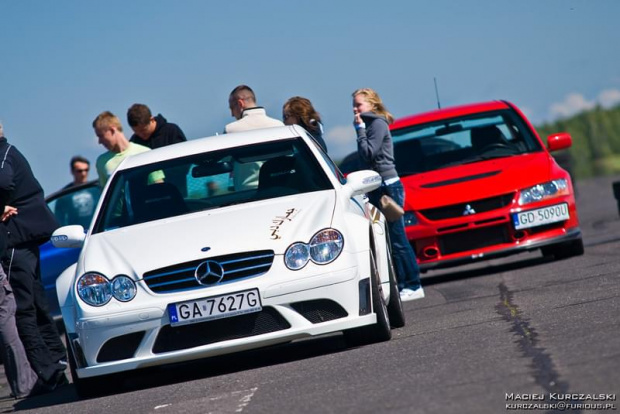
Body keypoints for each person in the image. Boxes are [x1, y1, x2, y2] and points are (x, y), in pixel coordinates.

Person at [0, 121, 68, 391]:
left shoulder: (3, 154)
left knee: (25, 309)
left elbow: (4, 181)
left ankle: (49, 373)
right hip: (24, 237)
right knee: (37, 304)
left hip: (16, 238)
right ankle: (57, 367)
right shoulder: (9, 151)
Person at [352, 88, 424, 301]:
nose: (355, 109)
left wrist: (359, 131)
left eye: (359, 105)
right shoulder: (370, 124)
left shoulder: (376, 124)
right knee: (389, 239)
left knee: (398, 237)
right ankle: (402, 284)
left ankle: (413, 283)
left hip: (388, 187)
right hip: (378, 186)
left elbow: (368, 153)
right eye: (354, 105)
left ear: (372, 105)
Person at [224, 85, 284, 190]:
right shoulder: (279, 126)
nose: (232, 114)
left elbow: (225, 160)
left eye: (232, 108)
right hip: (279, 188)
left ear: (240, 103)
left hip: (247, 194)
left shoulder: (231, 130)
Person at [127, 104, 189, 195]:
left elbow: (184, 163)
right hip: (148, 197)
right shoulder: (134, 142)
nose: (141, 134)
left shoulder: (171, 131)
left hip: (176, 192)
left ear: (151, 120)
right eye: (136, 131)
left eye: (143, 130)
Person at [93, 111, 164, 188]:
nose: (99, 142)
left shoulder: (145, 153)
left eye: (101, 136)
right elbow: (105, 193)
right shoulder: (102, 162)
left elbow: (159, 185)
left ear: (112, 130)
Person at [54, 156, 97, 227]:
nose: (83, 174)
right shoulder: (65, 194)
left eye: (86, 170)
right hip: (76, 234)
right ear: (72, 171)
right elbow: (59, 219)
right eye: (79, 171)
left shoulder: (96, 189)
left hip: (96, 230)